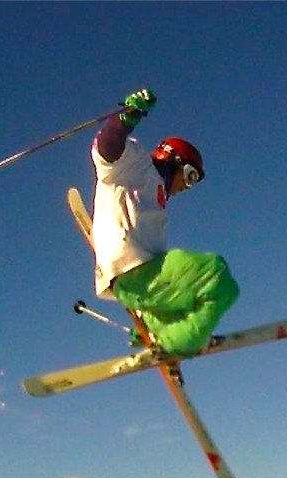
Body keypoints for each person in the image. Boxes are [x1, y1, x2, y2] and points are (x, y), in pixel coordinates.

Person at [90, 88, 239, 357]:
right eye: (190, 177)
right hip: (135, 270)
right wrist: (125, 118)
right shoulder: (136, 164)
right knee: (216, 275)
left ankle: (159, 332)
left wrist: (143, 320)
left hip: (136, 283)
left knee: (190, 305)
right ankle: (179, 342)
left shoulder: (156, 198)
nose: (186, 187)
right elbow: (107, 148)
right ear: (174, 160)